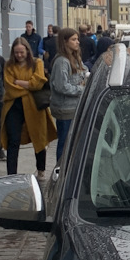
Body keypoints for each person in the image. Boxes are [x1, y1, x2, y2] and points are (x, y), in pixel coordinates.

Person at [1, 36, 55, 177]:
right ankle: (11, 174)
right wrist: (29, 85)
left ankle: (41, 169)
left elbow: (38, 83)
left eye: (22, 52)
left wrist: (19, 82)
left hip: (34, 106)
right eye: (16, 52)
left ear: (27, 51)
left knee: (39, 137)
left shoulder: (37, 63)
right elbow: (9, 86)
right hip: (13, 106)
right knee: (13, 140)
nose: (19, 55)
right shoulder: (8, 65)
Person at [49, 27, 89, 161]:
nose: (77, 42)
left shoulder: (74, 57)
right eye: (73, 39)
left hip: (74, 106)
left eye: (77, 39)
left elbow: (83, 70)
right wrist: (80, 89)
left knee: (72, 142)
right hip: (65, 108)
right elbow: (61, 86)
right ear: (65, 42)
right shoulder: (62, 61)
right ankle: (60, 171)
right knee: (65, 143)